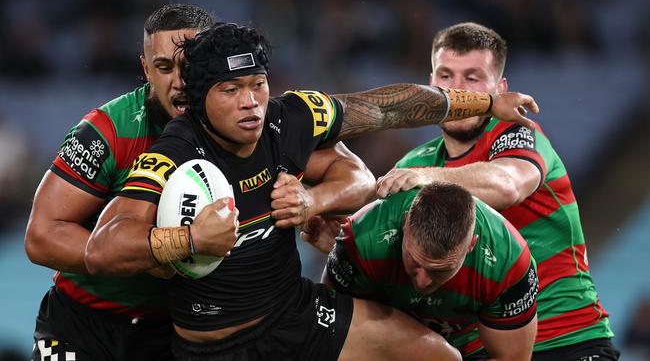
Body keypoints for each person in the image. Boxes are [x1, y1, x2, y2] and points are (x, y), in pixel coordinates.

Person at [84, 22, 539, 360]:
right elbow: (101, 250)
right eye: (231, 90)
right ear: (201, 97)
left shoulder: (290, 117)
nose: (251, 102)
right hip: (212, 345)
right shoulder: (175, 152)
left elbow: (388, 108)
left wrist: (312, 200)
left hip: (295, 315)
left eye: (258, 85)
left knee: (439, 357)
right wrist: (190, 241)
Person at [377, 22, 619, 360]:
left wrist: (427, 178)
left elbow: (507, 185)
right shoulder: (415, 162)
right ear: (430, 83)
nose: (456, 91)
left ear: (499, 88)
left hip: (566, 341)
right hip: (475, 351)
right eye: (445, 76)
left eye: (472, 78)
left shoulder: (519, 134)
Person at [23, 4, 217, 361]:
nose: (180, 81)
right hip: (80, 328)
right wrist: (142, 252)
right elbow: (40, 237)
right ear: (145, 69)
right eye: (164, 67)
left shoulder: (241, 121)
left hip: (172, 332)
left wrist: (309, 200)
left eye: (190, 65)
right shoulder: (107, 130)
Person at [305, 182, 539, 360]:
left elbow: (511, 358)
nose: (424, 281)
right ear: (405, 224)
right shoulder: (364, 236)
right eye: (415, 262)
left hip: (467, 348)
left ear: (471, 245)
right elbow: (330, 328)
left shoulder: (508, 261)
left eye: (441, 270)